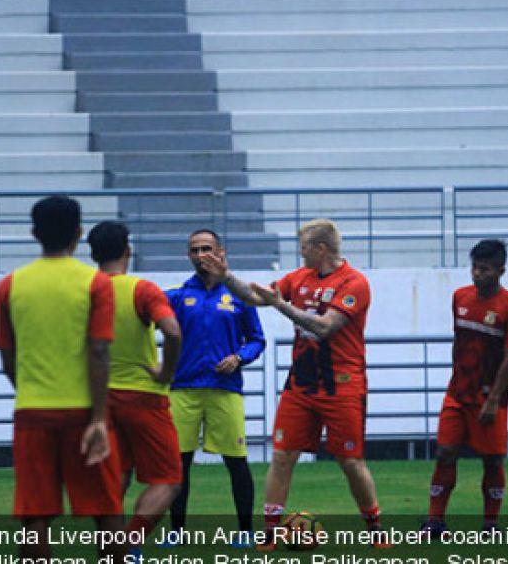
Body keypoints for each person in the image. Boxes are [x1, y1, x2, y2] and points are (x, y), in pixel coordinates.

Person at [200, 218, 392, 550]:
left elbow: (324, 327)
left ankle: (375, 529)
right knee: (283, 454)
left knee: (350, 461)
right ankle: (271, 533)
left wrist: (281, 306)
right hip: (301, 385)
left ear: (320, 249)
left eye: (303, 247)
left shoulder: (354, 282)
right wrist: (227, 277)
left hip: (342, 386)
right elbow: (257, 297)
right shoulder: (298, 278)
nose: (300, 254)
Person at [0, 195, 121, 561]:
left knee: (36, 513)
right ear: (79, 233)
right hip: (84, 412)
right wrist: (98, 417)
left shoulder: (10, 285)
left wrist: (29, 390)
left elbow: (7, 357)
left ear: (34, 233)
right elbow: (98, 351)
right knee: (106, 510)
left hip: (33, 410)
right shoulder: (96, 284)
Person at [166, 229, 266, 545]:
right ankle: (177, 533)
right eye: (194, 250)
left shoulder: (239, 295)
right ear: (188, 256)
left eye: (206, 248)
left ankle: (246, 533)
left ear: (220, 252)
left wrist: (239, 357)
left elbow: (257, 339)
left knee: (236, 462)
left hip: (226, 389)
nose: (200, 255)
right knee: (177, 465)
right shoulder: (178, 296)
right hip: (183, 389)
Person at [87, 221, 183, 545]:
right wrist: (166, 372)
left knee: (115, 477)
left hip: (99, 400)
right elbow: (172, 331)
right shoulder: (142, 289)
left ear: (92, 254)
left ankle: (109, 550)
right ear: (129, 251)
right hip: (143, 397)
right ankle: (127, 545)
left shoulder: (83, 291)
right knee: (168, 480)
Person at [421, 240, 508, 536]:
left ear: (500, 271)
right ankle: (435, 522)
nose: (477, 274)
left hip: (489, 398)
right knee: (445, 452)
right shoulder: (460, 297)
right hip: (457, 393)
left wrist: (493, 399)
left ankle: (491, 525)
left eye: (485, 269)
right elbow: (460, 342)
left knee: (492, 460)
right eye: (474, 268)